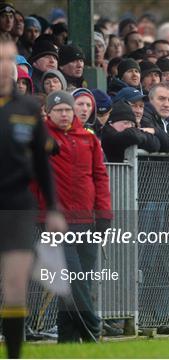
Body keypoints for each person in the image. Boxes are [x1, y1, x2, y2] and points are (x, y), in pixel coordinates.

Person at [0, 38, 66, 358]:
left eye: (8, 60)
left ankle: (13, 355)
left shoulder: (27, 109)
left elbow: (42, 162)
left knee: (15, 285)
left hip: (16, 205)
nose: (4, 67)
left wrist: (52, 208)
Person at [40, 90, 111, 343]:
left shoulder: (88, 139)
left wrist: (104, 215)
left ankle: (67, 342)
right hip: (55, 222)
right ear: (48, 112)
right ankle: (93, 328)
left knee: (82, 281)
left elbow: (100, 176)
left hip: (87, 221)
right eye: (58, 110)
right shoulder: (42, 137)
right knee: (73, 280)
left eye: (67, 109)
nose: (64, 114)